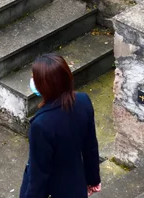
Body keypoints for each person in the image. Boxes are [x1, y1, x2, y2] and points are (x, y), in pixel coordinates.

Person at [18, 53, 102, 198]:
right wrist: (93, 179)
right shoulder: (83, 101)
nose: (32, 81)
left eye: (35, 78)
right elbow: (90, 147)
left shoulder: (41, 124)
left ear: (44, 85)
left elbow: (39, 173)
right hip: (75, 185)